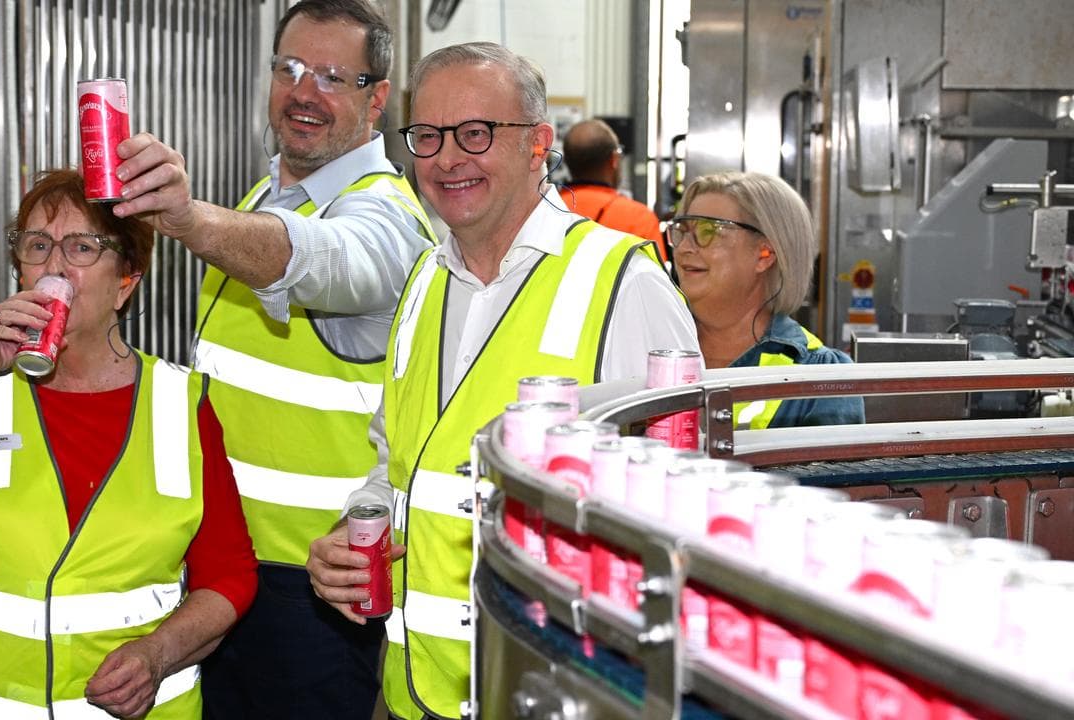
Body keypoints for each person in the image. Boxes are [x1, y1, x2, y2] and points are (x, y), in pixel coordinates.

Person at [304, 42, 699, 720]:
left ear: (538, 144)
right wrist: (356, 528)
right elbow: (397, 463)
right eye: (428, 136)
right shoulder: (424, 282)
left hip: (550, 695)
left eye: (476, 133)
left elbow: (681, 512)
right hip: (412, 692)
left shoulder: (622, 285)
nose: (447, 159)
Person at [110, 1, 435, 717]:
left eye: (333, 76)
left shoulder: (386, 215)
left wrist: (190, 219)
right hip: (226, 567)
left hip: (313, 583)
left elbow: (327, 259)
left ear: (377, 98)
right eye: (289, 68)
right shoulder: (268, 196)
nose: (303, 92)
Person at [0, 168, 257, 719]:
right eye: (37, 246)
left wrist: (158, 654)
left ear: (127, 281)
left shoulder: (180, 405)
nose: (54, 268)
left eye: (82, 247)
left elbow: (229, 576)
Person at [669, 171, 865, 428]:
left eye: (708, 231)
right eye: (682, 231)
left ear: (765, 254)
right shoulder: (652, 343)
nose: (684, 248)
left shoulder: (822, 377)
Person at [561, 118, 667, 260]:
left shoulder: (544, 209)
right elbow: (655, 272)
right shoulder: (639, 218)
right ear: (614, 159)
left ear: (566, 161)